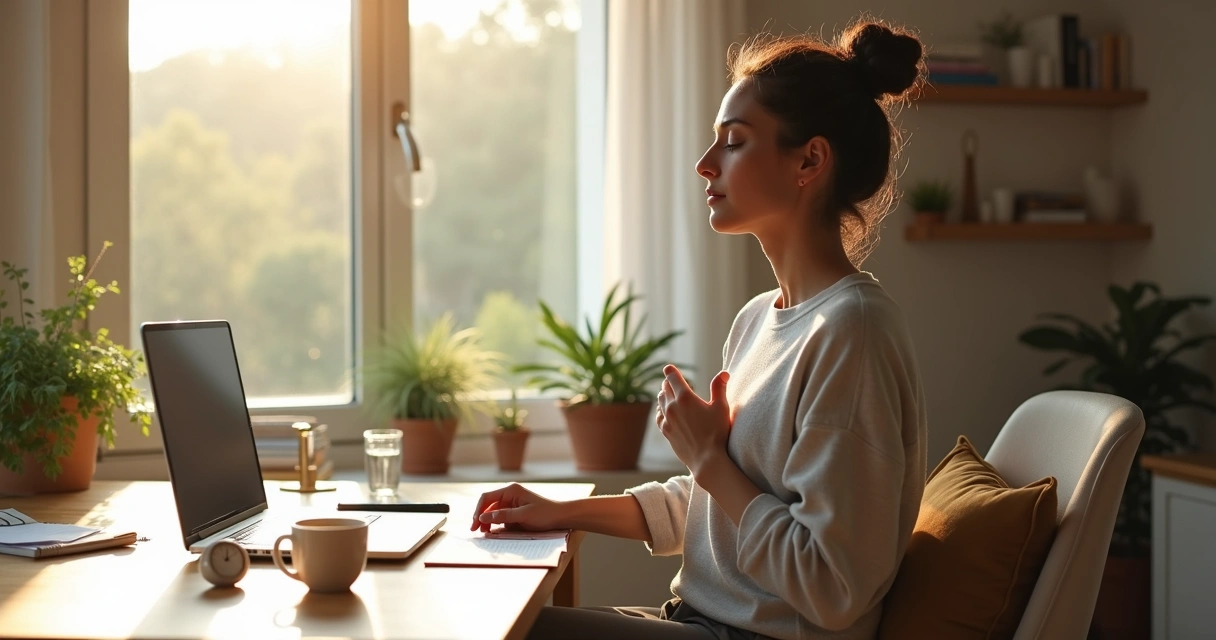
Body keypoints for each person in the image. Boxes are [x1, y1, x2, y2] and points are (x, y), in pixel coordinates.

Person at [472, 18, 929, 640]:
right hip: (695, 620)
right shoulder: (758, 320)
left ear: (810, 160)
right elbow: (717, 506)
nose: (704, 164)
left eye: (734, 142)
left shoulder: (853, 333)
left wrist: (710, 459)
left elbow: (832, 587)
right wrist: (557, 511)